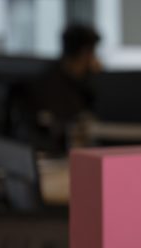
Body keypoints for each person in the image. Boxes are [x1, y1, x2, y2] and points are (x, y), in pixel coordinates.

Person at [22, 24, 102, 153]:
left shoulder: (86, 80)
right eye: (93, 52)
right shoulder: (49, 85)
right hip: (56, 153)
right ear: (85, 53)